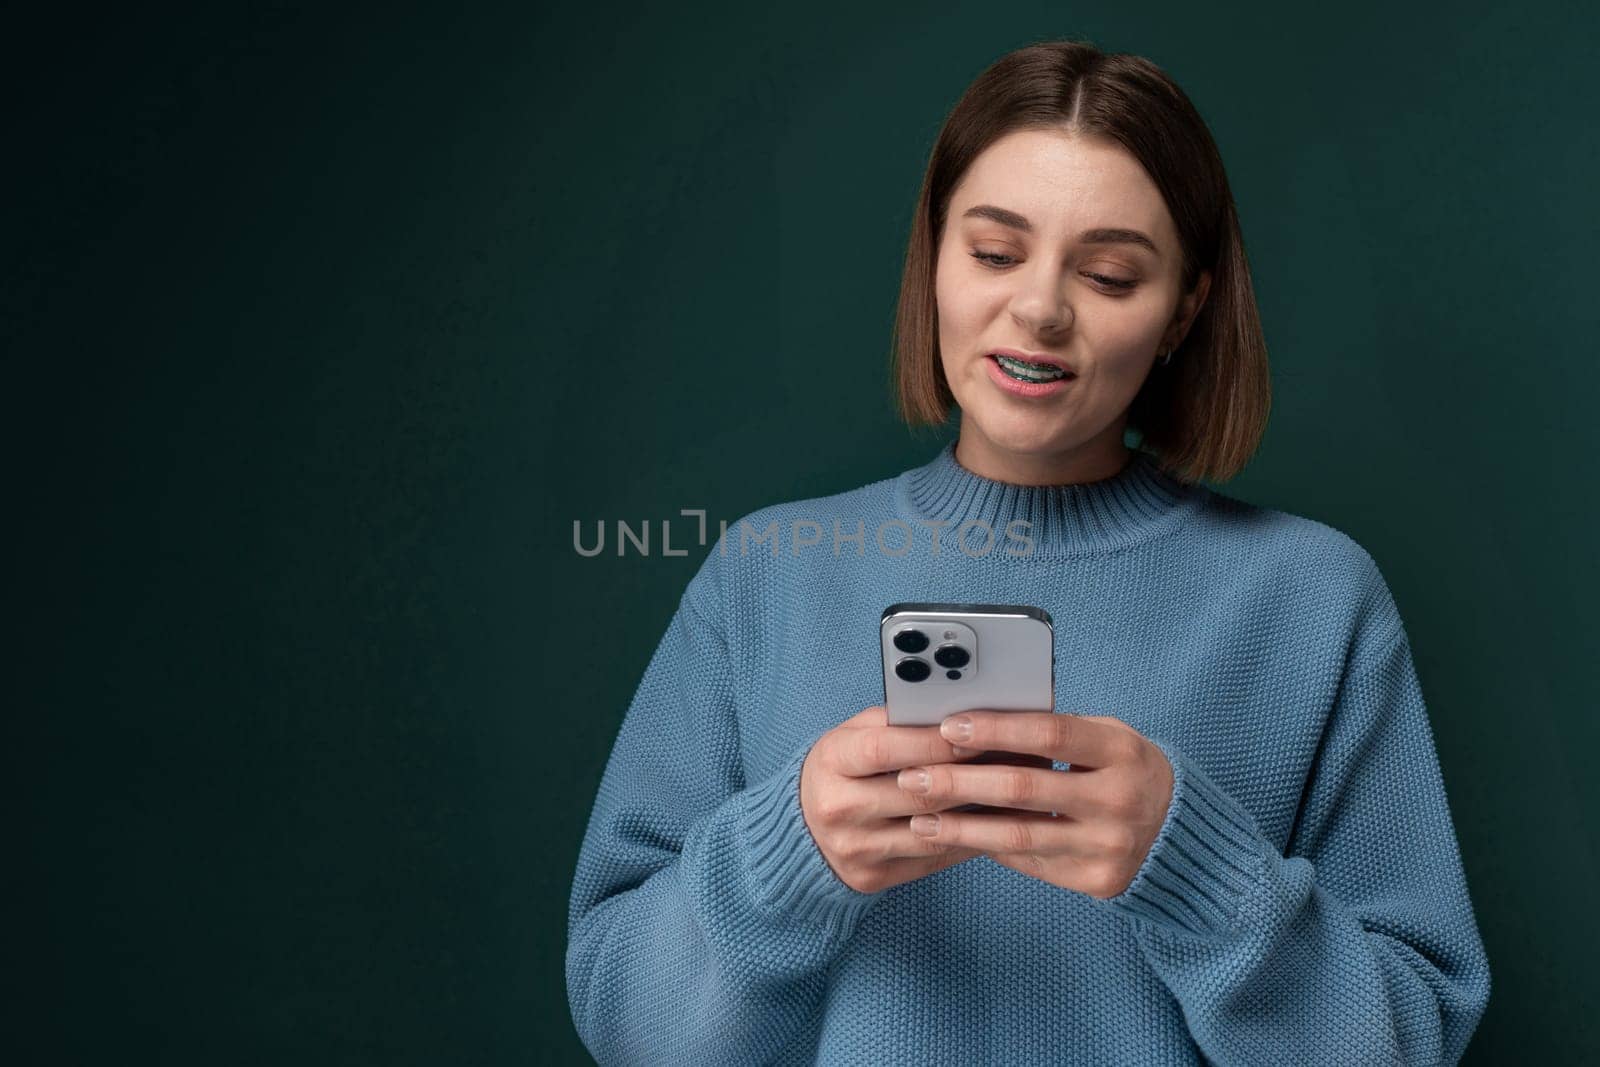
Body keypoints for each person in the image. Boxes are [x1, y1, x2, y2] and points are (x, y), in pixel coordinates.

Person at [565, 39, 1491, 1066]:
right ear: (932, 256)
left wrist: (1192, 869)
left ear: (1184, 307)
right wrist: (788, 853)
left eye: (1107, 273)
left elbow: (1407, 1040)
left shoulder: (1313, 597)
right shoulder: (765, 574)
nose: (1040, 308)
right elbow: (623, 1023)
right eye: (995, 252)